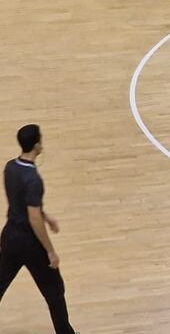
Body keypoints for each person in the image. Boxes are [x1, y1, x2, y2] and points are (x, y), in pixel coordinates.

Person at [0, 125, 77, 334]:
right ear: (36, 145)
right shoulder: (33, 179)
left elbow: (20, 202)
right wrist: (50, 251)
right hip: (29, 243)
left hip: (9, 236)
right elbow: (33, 218)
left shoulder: (10, 167)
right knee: (54, 290)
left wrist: (46, 216)